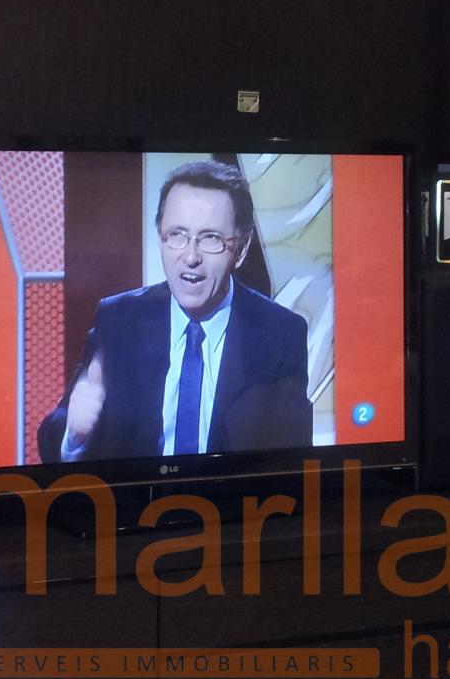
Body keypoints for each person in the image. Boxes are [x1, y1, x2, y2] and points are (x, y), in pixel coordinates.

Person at [37, 160, 311, 465]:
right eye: (177, 235)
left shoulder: (280, 335)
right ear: (161, 237)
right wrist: (75, 436)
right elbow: (54, 438)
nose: (191, 257)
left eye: (211, 238)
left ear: (242, 248)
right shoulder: (119, 320)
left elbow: (290, 464)